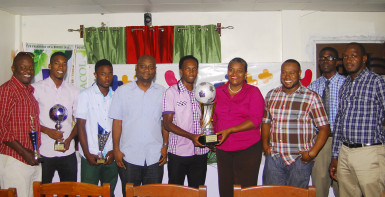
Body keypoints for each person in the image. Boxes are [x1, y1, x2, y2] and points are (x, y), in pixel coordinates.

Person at [262, 59, 330, 188]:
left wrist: (312, 154)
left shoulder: (311, 97)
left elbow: (324, 128)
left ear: (299, 73)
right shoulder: (271, 95)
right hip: (275, 157)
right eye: (284, 73)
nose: (287, 77)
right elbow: (266, 122)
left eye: (292, 73)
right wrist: (265, 146)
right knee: (271, 194)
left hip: (300, 159)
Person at [329, 43, 385, 197]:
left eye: (353, 55)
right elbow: (339, 122)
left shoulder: (377, 82)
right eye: (345, 56)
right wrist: (335, 156)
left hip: (369, 151)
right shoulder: (345, 84)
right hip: (345, 152)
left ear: (364, 59)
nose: (348, 60)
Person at [109, 55, 167, 197]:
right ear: (136, 68)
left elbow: (165, 123)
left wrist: (165, 145)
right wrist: (116, 149)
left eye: (151, 67)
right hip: (128, 157)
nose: (147, 70)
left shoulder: (163, 92)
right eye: (143, 66)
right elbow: (117, 122)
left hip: (155, 157)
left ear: (155, 70)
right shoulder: (122, 92)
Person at [213, 57, 265, 197]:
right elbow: (213, 119)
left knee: (245, 190)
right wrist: (210, 135)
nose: (234, 73)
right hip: (223, 149)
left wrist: (230, 130)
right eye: (231, 70)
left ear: (245, 74)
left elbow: (255, 121)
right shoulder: (217, 92)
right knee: (225, 189)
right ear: (227, 72)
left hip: (248, 149)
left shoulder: (253, 92)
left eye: (239, 70)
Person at [162, 55, 209, 188]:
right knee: (176, 192)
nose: (191, 72)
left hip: (200, 152)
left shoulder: (201, 93)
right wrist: (191, 136)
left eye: (194, 69)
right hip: (179, 153)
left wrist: (209, 132)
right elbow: (167, 123)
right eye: (187, 69)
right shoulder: (171, 93)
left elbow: (206, 119)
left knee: (198, 191)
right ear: (181, 71)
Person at [33, 52, 79, 183]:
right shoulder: (36, 89)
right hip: (44, 150)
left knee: (69, 190)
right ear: (49, 66)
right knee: (42, 190)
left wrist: (69, 139)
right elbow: (31, 119)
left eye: (64, 63)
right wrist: (47, 131)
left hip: (67, 150)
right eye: (57, 63)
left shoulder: (74, 91)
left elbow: (80, 121)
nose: (61, 67)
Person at [0, 52, 41, 197]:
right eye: (23, 68)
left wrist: (32, 153)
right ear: (13, 68)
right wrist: (24, 152)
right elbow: (1, 128)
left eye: (30, 68)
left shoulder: (29, 92)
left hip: (32, 159)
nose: (28, 71)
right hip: (15, 160)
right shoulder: (6, 90)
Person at [76, 59, 118, 196]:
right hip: (91, 155)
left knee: (109, 193)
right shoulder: (85, 95)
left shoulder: (117, 97)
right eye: (103, 74)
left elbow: (119, 126)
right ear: (95, 75)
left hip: (110, 156)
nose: (107, 77)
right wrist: (87, 153)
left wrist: (115, 150)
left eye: (110, 74)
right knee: (88, 193)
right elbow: (80, 126)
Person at [308, 47, 344, 197]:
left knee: (343, 185)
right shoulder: (313, 86)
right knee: (319, 185)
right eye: (322, 58)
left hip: (342, 140)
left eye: (329, 58)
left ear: (336, 62)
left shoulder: (346, 84)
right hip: (320, 141)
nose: (325, 61)